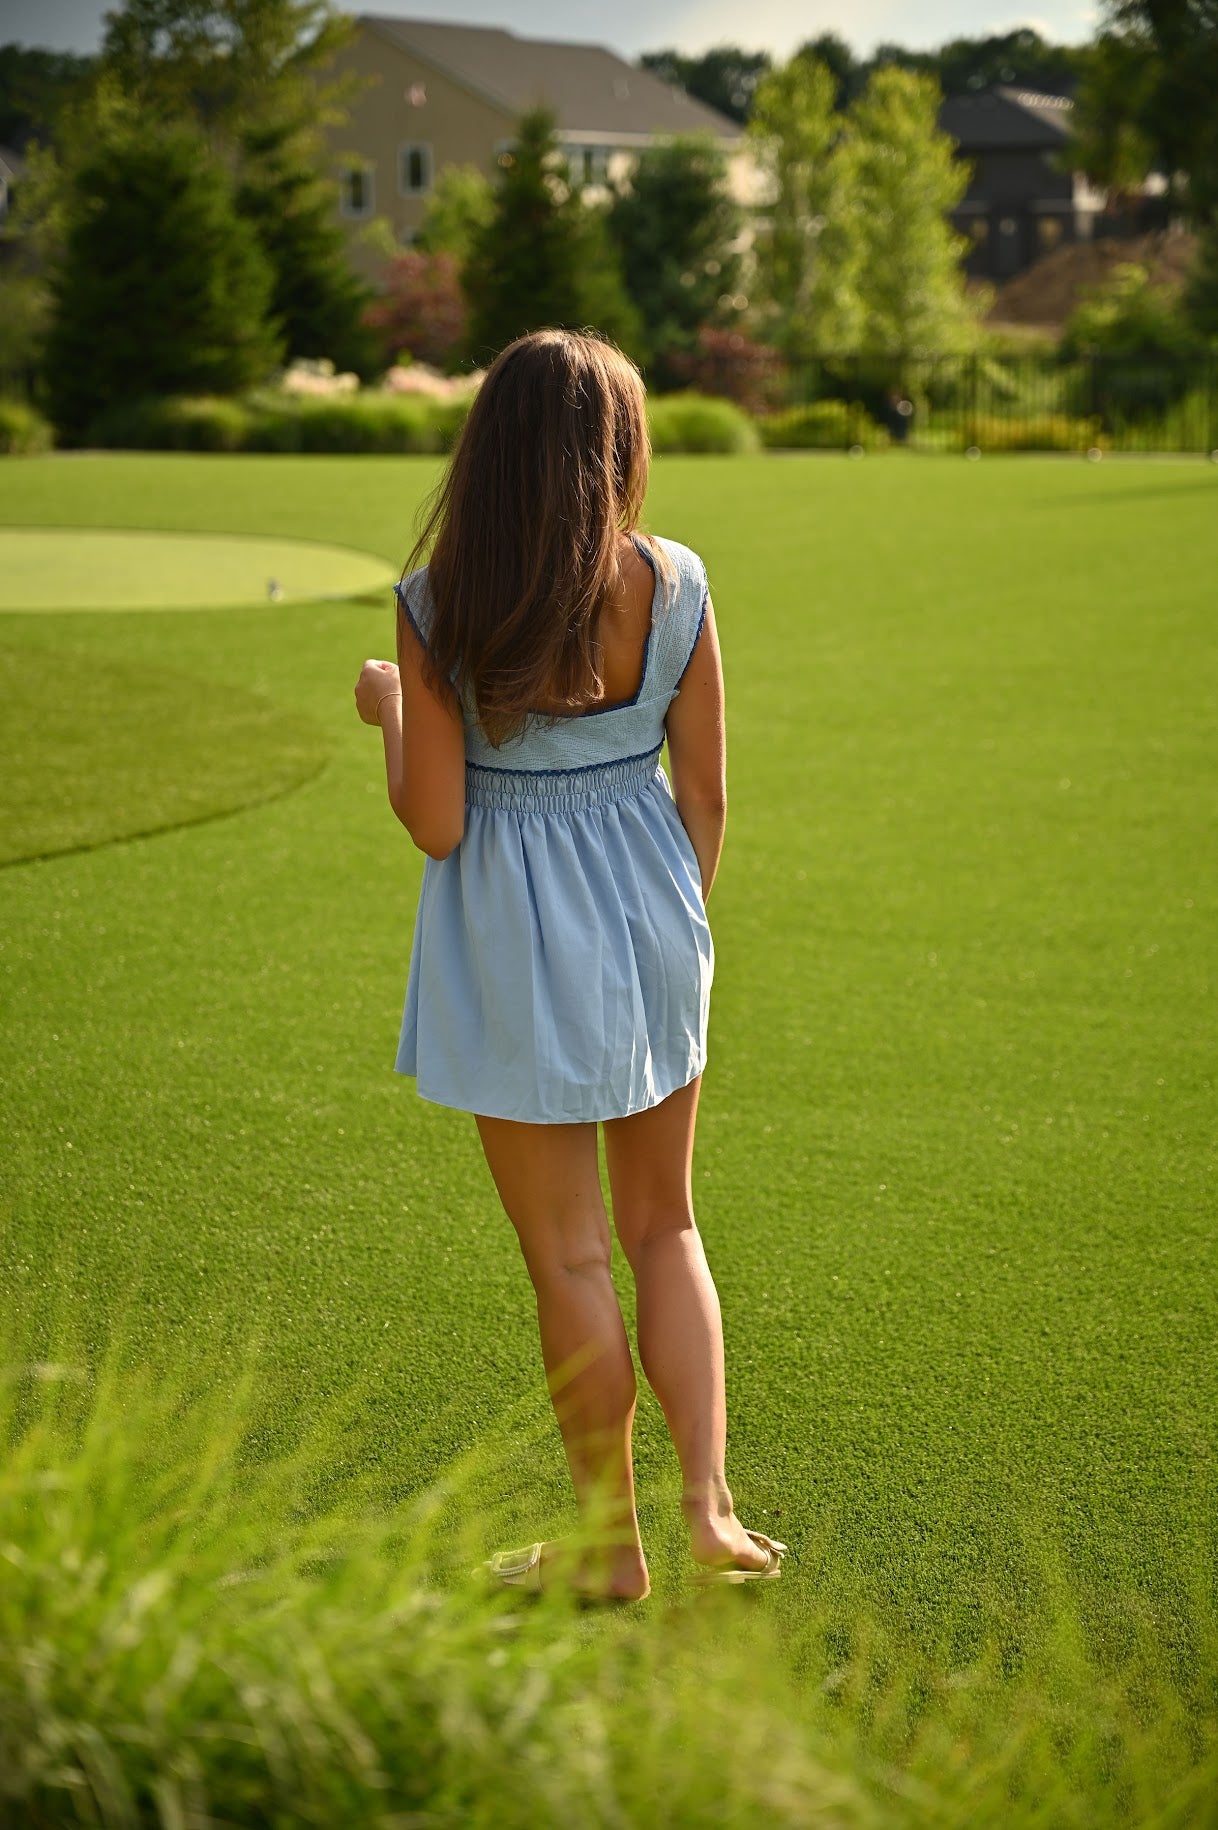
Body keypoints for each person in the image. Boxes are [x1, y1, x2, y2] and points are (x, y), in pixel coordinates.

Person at [354, 329, 787, 1603]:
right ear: (622, 450)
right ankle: (708, 1511)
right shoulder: (679, 581)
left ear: (488, 452)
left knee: (571, 1259)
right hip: (655, 924)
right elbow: (706, 796)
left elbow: (435, 822)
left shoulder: (438, 602)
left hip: (506, 943)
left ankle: (610, 1548)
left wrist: (392, 715)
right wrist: (667, 929)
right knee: (669, 1225)